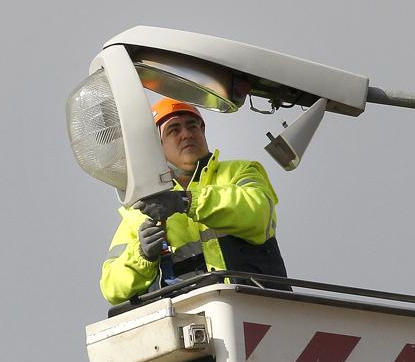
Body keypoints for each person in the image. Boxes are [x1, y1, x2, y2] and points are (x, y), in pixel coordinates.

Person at [99, 98, 289, 305]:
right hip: (187, 322)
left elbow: (259, 214)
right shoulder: (140, 211)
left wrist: (186, 200)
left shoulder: (240, 171)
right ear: (157, 145)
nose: (187, 134)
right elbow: (111, 287)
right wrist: (142, 255)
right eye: (174, 129)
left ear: (203, 132)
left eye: (193, 126)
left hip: (258, 310)